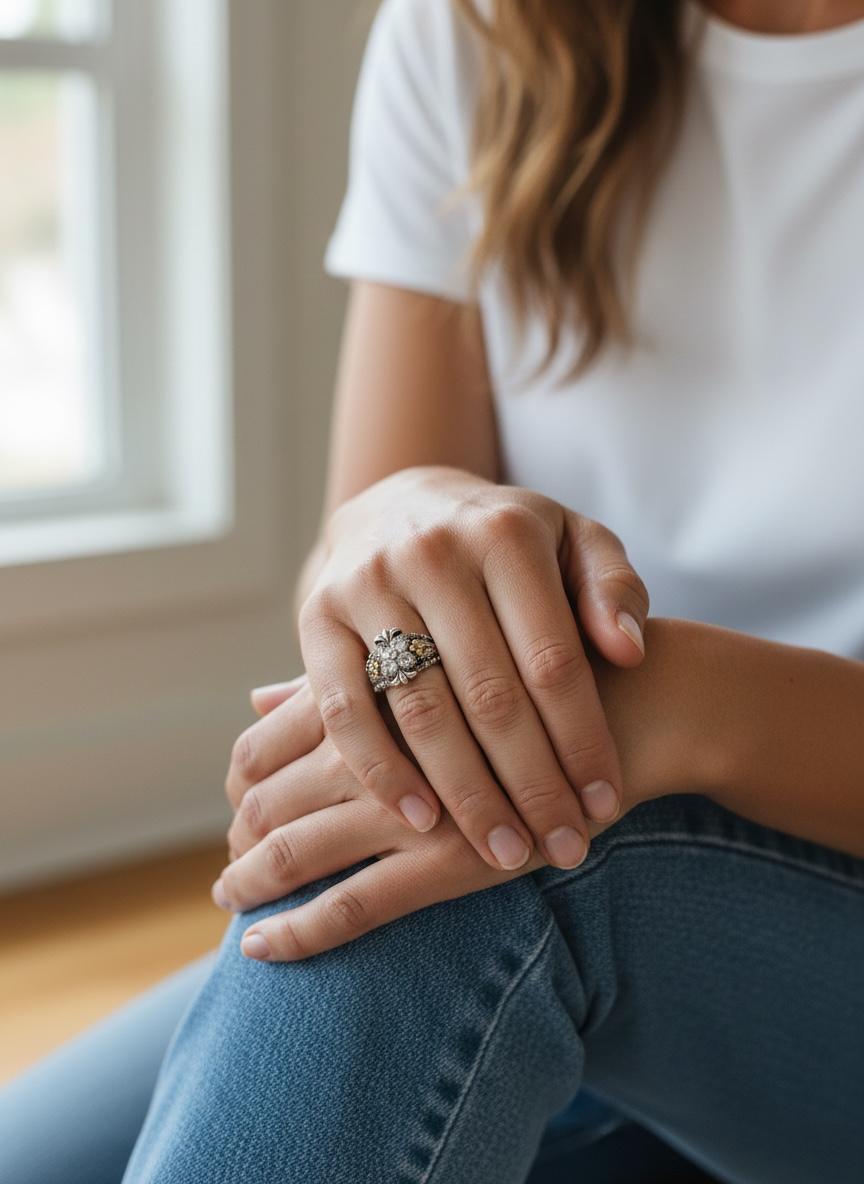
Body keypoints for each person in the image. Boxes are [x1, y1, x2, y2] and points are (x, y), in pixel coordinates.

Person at [2, 0, 863, 1180]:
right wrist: (397, 517)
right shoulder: (488, 31)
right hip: (577, 923)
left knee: (512, 822)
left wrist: (686, 707)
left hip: (720, 909)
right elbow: (361, 565)